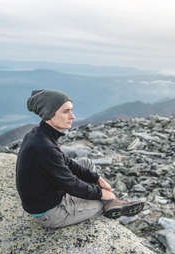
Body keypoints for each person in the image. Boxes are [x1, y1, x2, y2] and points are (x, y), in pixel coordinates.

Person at [16, 89, 144, 228]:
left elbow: (66, 161)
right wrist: (102, 194)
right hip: (50, 212)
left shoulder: (39, 135)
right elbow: (71, 184)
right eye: (66, 111)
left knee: (86, 163)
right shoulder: (44, 147)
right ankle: (109, 205)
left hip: (49, 191)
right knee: (99, 202)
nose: (72, 116)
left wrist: (96, 179)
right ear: (49, 114)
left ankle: (111, 202)